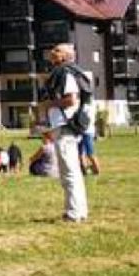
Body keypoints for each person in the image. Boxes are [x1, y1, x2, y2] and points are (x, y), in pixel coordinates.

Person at [44, 44, 90, 222]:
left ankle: (73, 213)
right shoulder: (67, 72)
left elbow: (70, 99)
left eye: (56, 51)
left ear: (65, 56)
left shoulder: (65, 73)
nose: (52, 53)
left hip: (64, 126)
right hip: (65, 126)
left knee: (68, 171)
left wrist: (49, 104)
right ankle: (79, 211)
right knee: (72, 171)